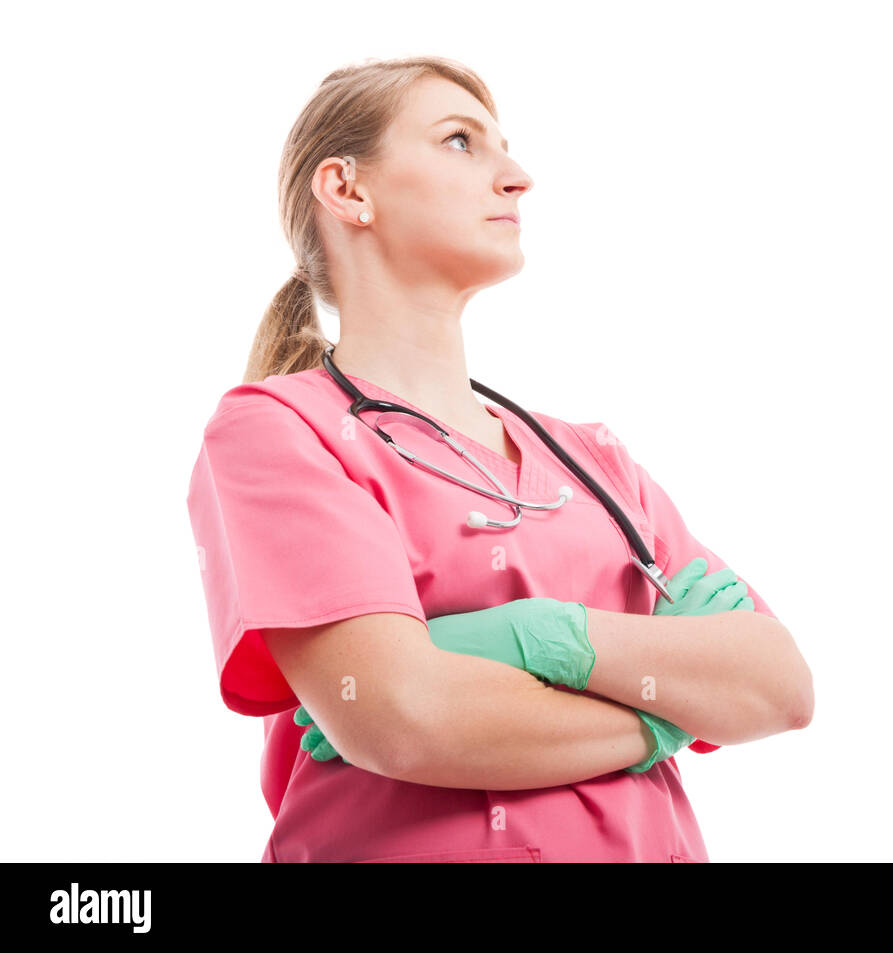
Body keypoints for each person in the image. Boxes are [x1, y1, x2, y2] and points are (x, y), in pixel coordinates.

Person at [186, 55, 814, 863]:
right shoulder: (277, 431)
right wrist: (666, 714)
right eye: (460, 141)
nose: (516, 177)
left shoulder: (590, 458)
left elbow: (778, 684)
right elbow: (402, 718)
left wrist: (538, 636)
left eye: (504, 148)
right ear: (348, 190)